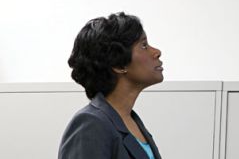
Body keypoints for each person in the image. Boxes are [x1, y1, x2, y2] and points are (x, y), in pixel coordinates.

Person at [59, 12, 164, 159]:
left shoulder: (133, 121)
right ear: (119, 64)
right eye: (144, 45)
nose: (157, 52)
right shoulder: (91, 125)